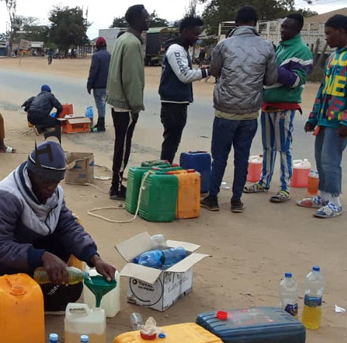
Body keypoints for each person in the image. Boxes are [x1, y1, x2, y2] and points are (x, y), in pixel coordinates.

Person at [0, 142, 117, 313]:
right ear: (31, 174)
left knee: (69, 293)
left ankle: (31, 288)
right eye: (45, 181)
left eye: (56, 181)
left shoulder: (54, 194)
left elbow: (68, 226)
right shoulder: (6, 196)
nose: (51, 188)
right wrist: (42, 257)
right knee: (19, 308)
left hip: (22, 255)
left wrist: (95, 259)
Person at [200, 6, 277, 213]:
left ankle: (213, 199)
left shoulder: (223, 45)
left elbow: (214, 71)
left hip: (225, 111)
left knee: (220, 157)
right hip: (250, 112)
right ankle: (236, 200)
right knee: (242, 156)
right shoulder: (267, 47)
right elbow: (271, 79)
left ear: (236, 23)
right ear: (255, 23)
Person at [298, 15, 347, 218]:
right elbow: (323, 90)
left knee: (331, 160)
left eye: (329, 34)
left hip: (340, 120)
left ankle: (335, 201)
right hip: (324, 117)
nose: (327, 38)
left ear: (342, 31)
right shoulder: (333, 57)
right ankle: (323, 196)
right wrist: (313, 117)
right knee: (321, 159)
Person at [244, 14, 314, 203]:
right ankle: (264, 182)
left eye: (288, 28)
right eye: (282, 27)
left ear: (297, 30)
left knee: (283, 148)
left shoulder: (302, 52)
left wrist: (272, 66)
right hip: (267, 105)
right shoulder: (280, 48)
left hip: (285, 107)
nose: (283, 30)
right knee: (267, 147)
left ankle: (284, 188)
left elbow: (296, 80)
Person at [106, 4, 148, 200]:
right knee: (123, 146)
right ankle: (116, 186)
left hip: (118, 101)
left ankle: (116, 182)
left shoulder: (124, 39)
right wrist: (135, 105)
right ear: (136, 19)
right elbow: (131, 78)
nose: (147, 21)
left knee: (120, 144)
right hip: (125, 104)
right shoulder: (131, 43)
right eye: (145, 17)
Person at [158, 16, 210, 164]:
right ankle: (163, 172)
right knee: (171, 142)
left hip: (178, 102)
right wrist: (208, 72)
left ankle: (165, 169)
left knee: (173, 141)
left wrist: (201, 70)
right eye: (195, 34)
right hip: (172, 104)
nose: (197, 38)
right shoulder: (176, 49)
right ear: (186, 31)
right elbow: (185, 75)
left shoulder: (181, 48)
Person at [87, 37, 111, 132]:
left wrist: (89, 84)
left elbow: (93, 71)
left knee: (100, 104)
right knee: (103, 103)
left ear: (97, 45)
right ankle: (101, 122)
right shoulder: (109, 55)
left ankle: (101, 124)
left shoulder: (96, 56)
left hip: (98, 85)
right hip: (108, 85)